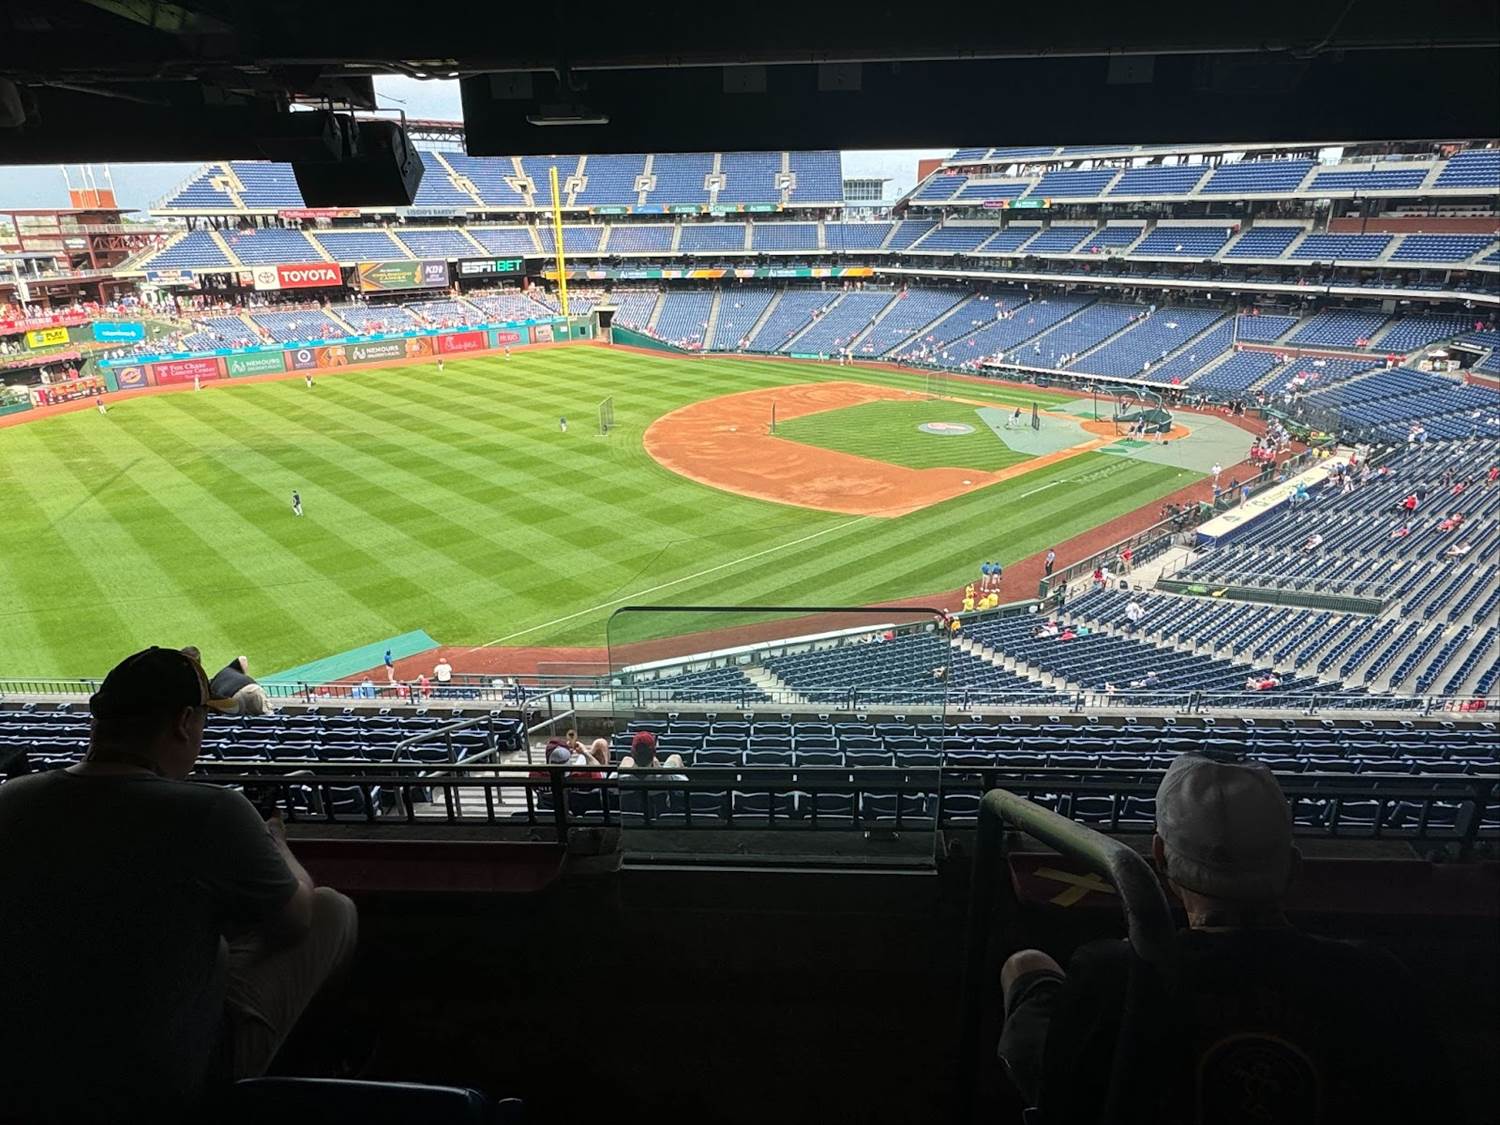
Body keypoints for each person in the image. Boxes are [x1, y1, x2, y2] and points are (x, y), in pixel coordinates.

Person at [0, 646, 358, 1123]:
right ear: (183, 722)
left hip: (21, 1076)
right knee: (332, 909)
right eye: (204, 720)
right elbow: (296, 922)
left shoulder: (10, 799)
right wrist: (278, 846)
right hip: (162, 1086)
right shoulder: (211, 812)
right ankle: (306, 1079)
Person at [994, 753, 1450, 1122]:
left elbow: (1060, 1083)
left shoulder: (1113, 974)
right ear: (1293, 867)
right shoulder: (1378, 979)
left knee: (1026, 964)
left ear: (1160, 858)